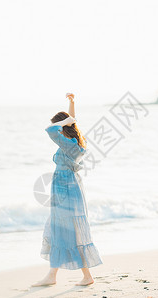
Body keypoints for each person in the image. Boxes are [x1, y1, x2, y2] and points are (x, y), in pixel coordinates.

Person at [32, 93, 102, 287]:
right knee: (64, 230)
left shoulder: (65, 142)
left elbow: (50, 129)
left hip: (64, 188)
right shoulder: (76, 142)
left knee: (62, 229)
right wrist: (72, 105)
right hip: (70, 186)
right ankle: (59, 275)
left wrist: (67, 119)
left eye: (61, 126)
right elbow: (69, 126)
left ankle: (58, 276)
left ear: (63, 127)